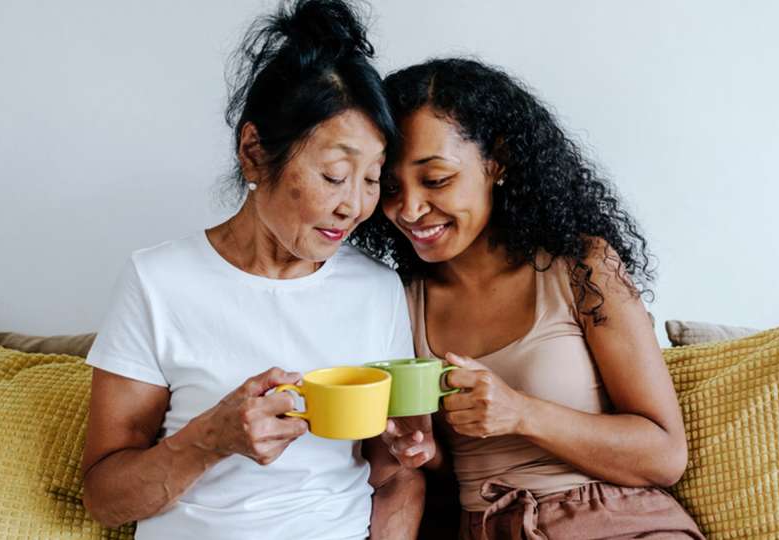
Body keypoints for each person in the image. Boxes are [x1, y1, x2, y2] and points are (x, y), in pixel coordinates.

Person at [80, 2, 423, 538]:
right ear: (254, 152)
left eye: (372, 179)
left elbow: (396, 478)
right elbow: (105, 498)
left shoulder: (377, 290)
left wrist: (404, 449)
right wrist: (209, 439)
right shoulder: (158, 282)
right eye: (334, 175)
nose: (354, 206)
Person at [352, 58, 705, 539]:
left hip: (618, 523)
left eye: (436, 180)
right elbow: (443, 470)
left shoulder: (581, 267)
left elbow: (664, 456)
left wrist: (520, 412)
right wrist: (419, 451)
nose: (409, 209)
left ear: (496, 161)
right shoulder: (399, 299)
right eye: (390, 187)